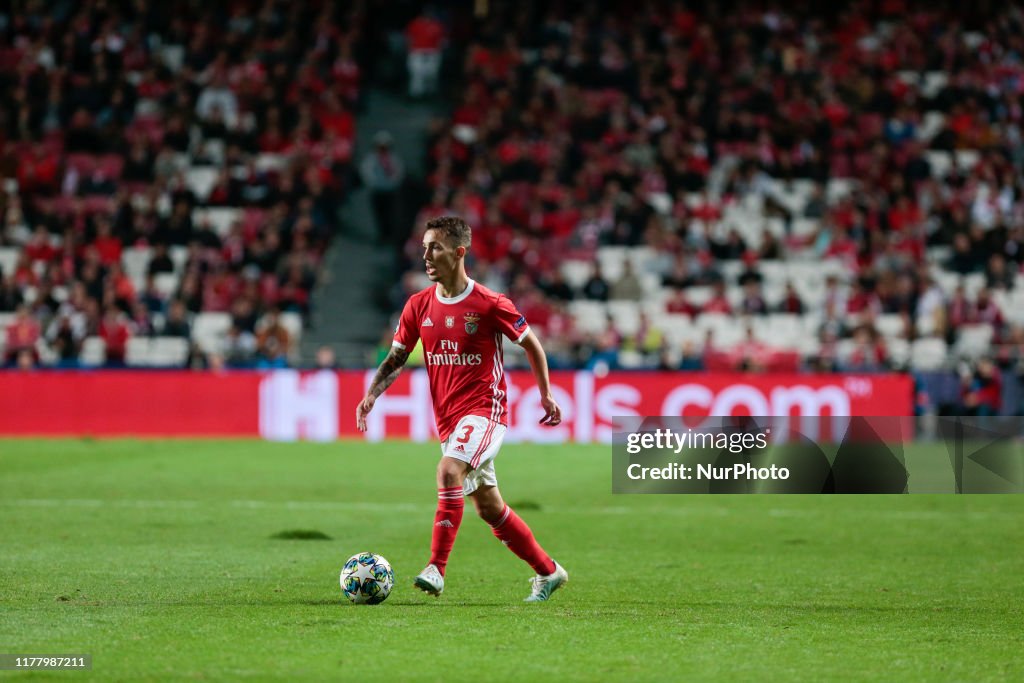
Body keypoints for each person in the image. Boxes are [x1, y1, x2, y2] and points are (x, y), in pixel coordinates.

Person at [356, 216, 568, 602]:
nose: (426, 256)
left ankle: (436, 567)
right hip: (449, 420)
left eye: (434, 247)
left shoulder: (489, 303)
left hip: (486, 411)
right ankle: (549, 571)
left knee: (448, 470)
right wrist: (372, 394)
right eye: (423, 248)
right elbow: (397, 358)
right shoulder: (418, 306)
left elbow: (532, 344)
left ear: (459, 252)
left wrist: (545, 394)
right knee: (489, 508)